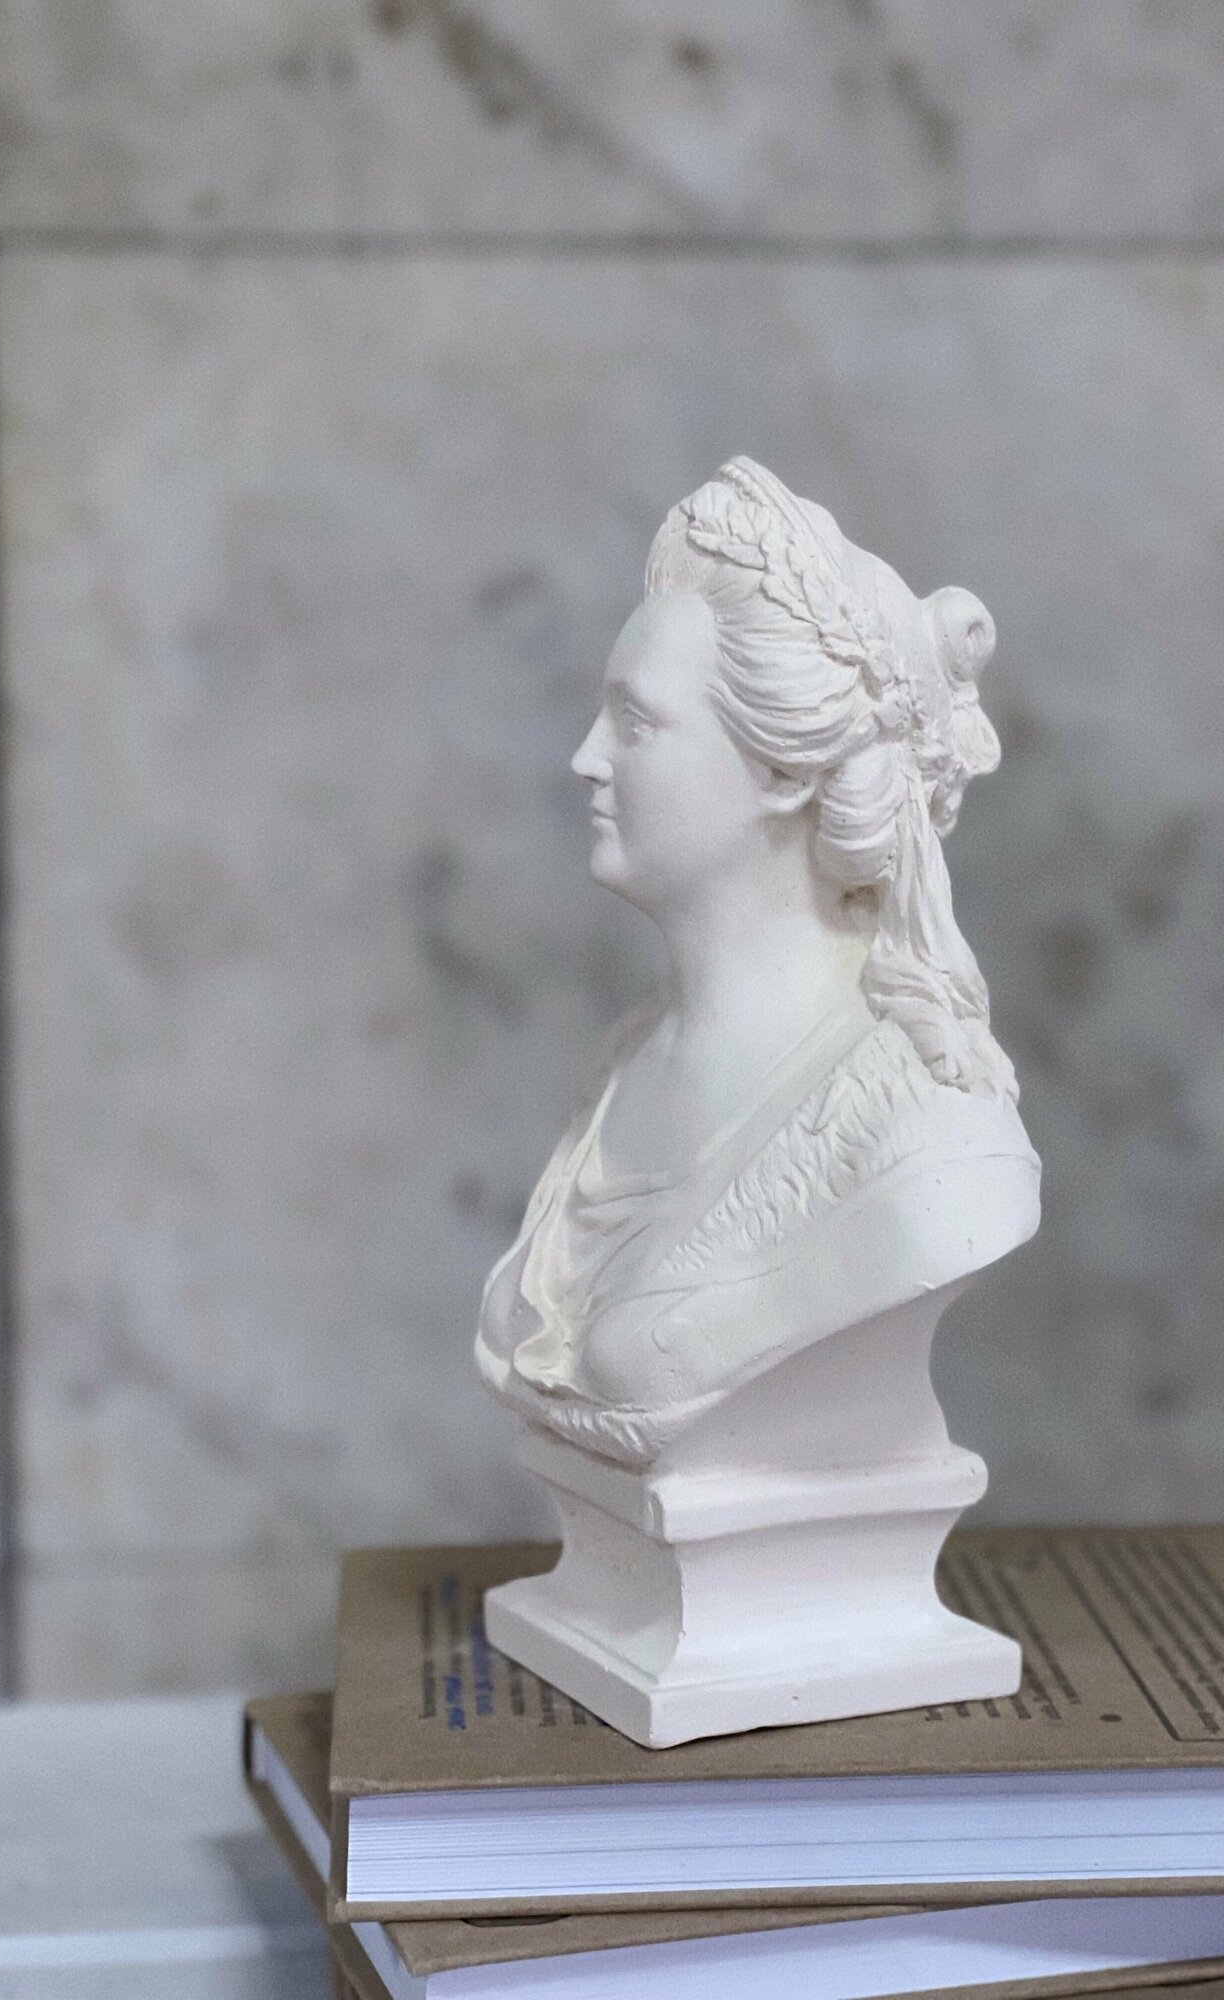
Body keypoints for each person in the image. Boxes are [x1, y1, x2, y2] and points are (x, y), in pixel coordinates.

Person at [476, 458, 1039, 1467]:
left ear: (783, 769)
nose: (585, 758)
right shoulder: (628, 1063)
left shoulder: (934, 1135)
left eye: (636, 722)